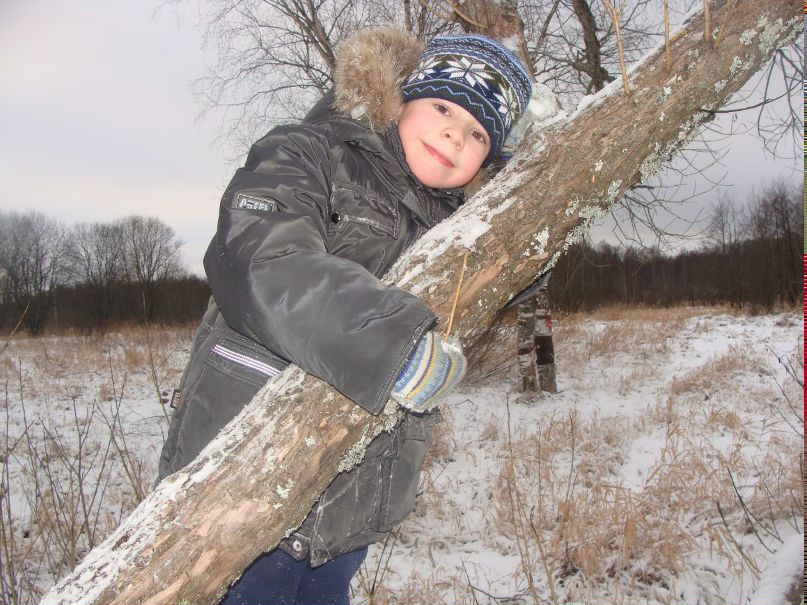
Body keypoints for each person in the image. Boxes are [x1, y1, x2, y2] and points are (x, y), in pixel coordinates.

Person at [157, 27, 532, 605]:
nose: (455, 135)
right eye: (441, 106)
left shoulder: (461, 233)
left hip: (348, 507)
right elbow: (262, 258)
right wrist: (391, 344)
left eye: (479, 132)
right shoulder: (310, 151)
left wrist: (543, 157)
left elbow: (527, 271)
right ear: (400, 97)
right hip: (248, 472)